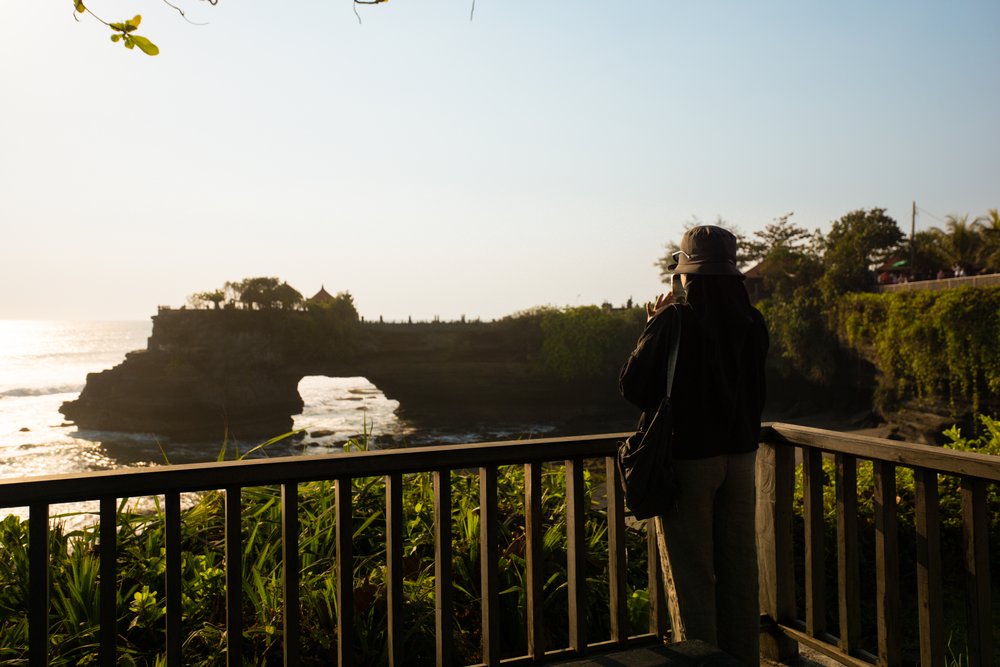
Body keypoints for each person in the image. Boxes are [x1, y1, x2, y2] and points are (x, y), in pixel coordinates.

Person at [619, 225, 769, 665]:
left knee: (693, 575)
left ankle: (702, 660)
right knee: (740, 569)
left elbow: (634, 387)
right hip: (741, 459)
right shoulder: (753, 321)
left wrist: (651, 324)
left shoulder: (674, 320)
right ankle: (744, 659)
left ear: (686, 275)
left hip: (688, 464)